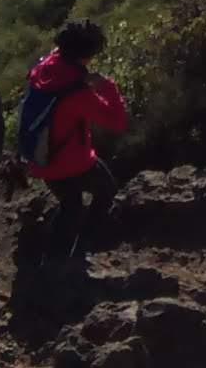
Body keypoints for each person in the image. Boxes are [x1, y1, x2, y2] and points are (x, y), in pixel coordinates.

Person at [19, 18, 131, 268]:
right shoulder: (78, 94)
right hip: (73, 163)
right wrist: (108, 87)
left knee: (70, 205)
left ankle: (51, 257)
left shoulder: (43, 69)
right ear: (86, 55)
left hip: (40, 159)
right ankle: (77, 249)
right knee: (105, 193)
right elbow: (118, 123)